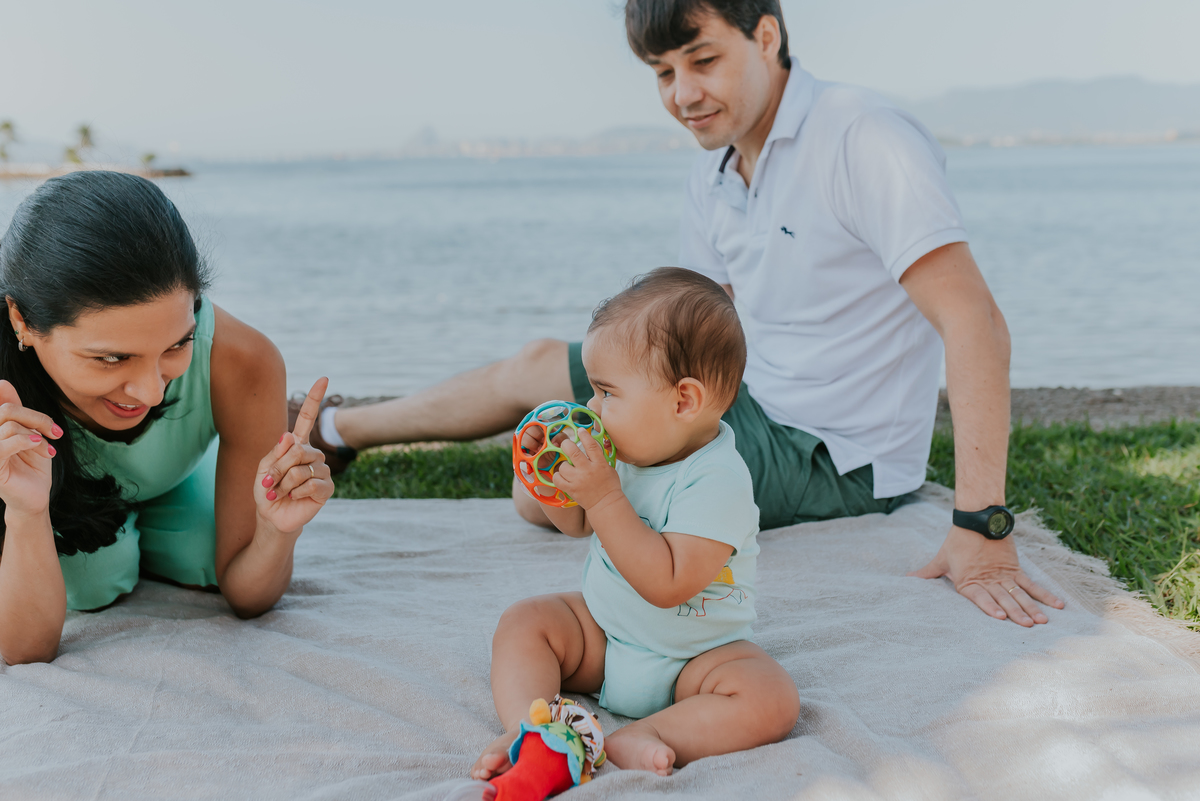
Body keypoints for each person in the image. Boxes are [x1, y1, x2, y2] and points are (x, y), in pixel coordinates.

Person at [310, 0, 1063, 627]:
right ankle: (336, 430)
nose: (682, 94)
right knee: (547, 364)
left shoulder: (863, 136)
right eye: (663, 74)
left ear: (765, 36)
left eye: (702, 61)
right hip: (746, 394)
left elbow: (974, 322)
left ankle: (420, 449)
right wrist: (622, 381)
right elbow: (697, 327)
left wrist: (982, 529)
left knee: (539, 491)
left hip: (832, 451)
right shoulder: (716, 165)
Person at [470, 268, 799, 785]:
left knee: (772, 698)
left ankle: (654, 734)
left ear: (683, 401)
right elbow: (578, 524)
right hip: (604, 630)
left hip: (695, 658)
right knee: (526, 620)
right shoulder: (628, 447)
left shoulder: (719, 480)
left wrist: (604, 495)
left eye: (606, 393)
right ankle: (533, 731)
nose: (591, 409)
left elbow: (667, 584)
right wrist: (554, 483)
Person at [0, 170, 334, 665]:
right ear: (22, 322)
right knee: (93, 580)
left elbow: (249, 597)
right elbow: (24, 649)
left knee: (209, 562)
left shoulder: (246, 360)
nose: (152, 392)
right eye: (112, 358)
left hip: (178, 478)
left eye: (178, 345)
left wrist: (277, 530)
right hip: (56, 495)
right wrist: (27, 514)